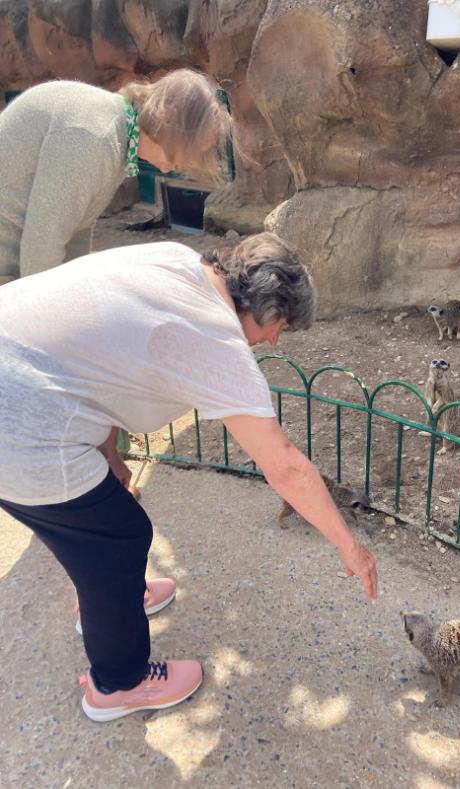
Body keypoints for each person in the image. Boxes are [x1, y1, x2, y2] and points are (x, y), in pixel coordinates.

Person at [0, 232, 378, 722]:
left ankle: (112, 601)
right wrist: (351, 547)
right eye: (280, 326)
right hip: (18, 428)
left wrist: (111, 458)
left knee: (103, 522)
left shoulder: (177, 261)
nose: (274, 342)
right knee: (116, 538)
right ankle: (117, 684)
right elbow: (283, 464)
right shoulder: (214, 338)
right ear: (265, 307)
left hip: (18, 370)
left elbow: (98, 353)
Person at [0, 68, 230, 280]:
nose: (189, 162)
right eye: (191, 147)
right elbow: (42, 243)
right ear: (168, 117)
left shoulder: (119, 134)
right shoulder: (96, 137)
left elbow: (76, 228)